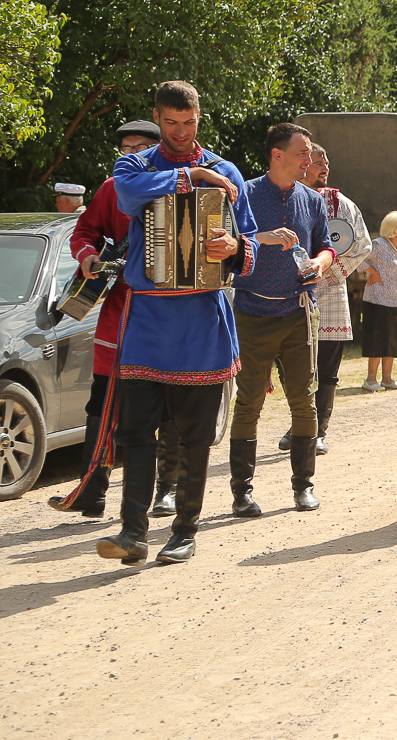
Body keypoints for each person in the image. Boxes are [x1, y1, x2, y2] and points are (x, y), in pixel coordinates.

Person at [91, 81, 258, 565]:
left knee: (194, 435)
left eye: (188, 122)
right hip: (146, 320)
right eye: (170, 122)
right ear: (157, 118)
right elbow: (127, 196)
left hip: (202, 322)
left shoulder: (227, 171)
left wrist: (234, 248)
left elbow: (249, 243)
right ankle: (132, 532)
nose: (180, 131)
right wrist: (191, 176)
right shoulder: (135, 164)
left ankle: (185, 531)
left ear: (199, 117)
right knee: (136, 431)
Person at [48, 120, 176, 518]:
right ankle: (92, 489)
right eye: (126, 149)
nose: (132, 155)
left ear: (158, 151)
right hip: (121, 313)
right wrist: (88, 255)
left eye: (140, 148)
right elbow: (85, 231)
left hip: (174, 315)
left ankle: (168, 490)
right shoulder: (111, 188)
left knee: (170, 405)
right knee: (102, 402)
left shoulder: (184, 186)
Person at [228, 123, 335, 517]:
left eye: (309, 153)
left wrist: (320, 263)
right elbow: (225, 246)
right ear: (277, 154)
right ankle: (242, 493)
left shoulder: (313, 199)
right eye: (302, 152)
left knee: (304, 401)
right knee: (249, 403)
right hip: (252, 312)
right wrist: (261, 238)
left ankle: (303, 487)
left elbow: (326, 246)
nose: (310, 159)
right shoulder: (245, 195)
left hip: (299, 312)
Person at [296, 142, 371, 454]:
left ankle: (318, 431)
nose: (324, 166)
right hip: (293, 294)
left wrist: (332, 272)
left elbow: (363, 244)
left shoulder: (343, 205)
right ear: (301, 164)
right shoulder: (288, 199)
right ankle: (300, 425)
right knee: (295, 367)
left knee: (326, 366)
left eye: (326, 161)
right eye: (318, 161)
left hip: (330, 293)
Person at [361, 212, 397, 391]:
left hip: (396, 301)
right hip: (377, 300)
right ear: (396, 230)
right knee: (377, 340)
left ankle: (387, 379)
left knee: (391, 341)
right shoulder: (378, 245)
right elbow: (357, 258)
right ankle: (370, 380)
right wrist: (372, 272)